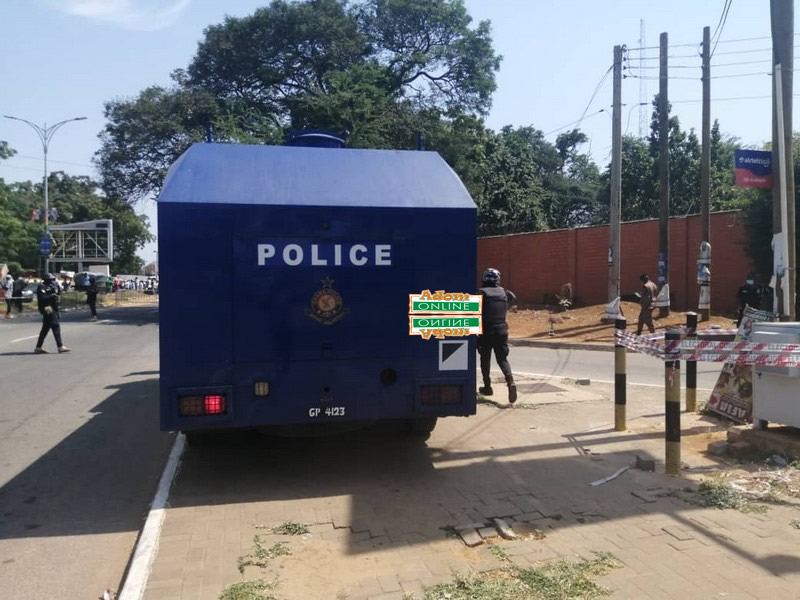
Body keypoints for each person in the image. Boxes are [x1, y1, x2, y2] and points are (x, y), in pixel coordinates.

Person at [477, 267, 517, 404]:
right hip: (501, 330)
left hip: (486, 331)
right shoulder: (505, 293)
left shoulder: (481, 293)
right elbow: (512, 297)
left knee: (485, 358)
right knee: (502, 359)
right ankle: (510, 380)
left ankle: (487, 387)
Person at [35, 273, 71, 354]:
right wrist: (51, 296)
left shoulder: (53, 287)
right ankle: (60, 346)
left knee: (45, 329)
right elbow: (42, 298)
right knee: (55, 326)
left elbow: (56, 300)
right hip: (47, 309)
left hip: (53, 309)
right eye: (51, 280)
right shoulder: (42, 287)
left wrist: (57, 311)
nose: (52, 281)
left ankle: (38, 347)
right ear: (46, 280)